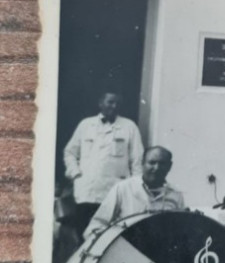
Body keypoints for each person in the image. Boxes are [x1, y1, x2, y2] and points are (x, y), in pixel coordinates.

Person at [63, 91, 144, 238]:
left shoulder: (129, 127)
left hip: (113, 192)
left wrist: (135, 188)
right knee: (83, 233)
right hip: (87, 191)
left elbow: (137, 160)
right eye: (110, 102)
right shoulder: (86, 125)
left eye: (117, 103)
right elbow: (70, 152)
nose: (114, 106)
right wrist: (76, 173)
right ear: (100, 103)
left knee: (108, 236)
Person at [84, 146, 185, 238]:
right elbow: (97, 225)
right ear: (142, 163)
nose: (156, 168)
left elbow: (179, 231)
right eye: (152, 162)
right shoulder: (123, 188)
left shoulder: (176, 195)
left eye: (162, 164)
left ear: (169, 166)